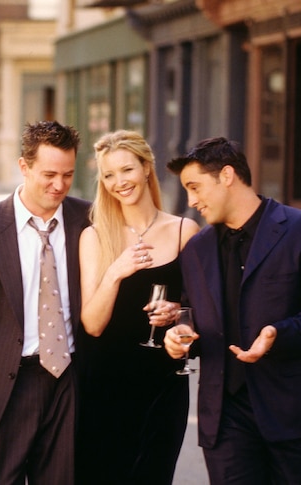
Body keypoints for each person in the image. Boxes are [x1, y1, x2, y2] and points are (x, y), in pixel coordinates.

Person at [164, 137, 301, 484]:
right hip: (224, 414)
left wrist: (278, 333)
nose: (191, 200)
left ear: (227, 175)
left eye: (195, 187)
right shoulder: (196, 249)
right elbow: (192, 317)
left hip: (292, 408)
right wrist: (179, 338)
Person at [0, 120, 91, 484]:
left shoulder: (88, 218)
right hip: (4, 387)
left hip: (69, 381)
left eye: (68, 174)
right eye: (49, 174)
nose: (59, 185)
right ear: (24, 166)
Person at [76, 130, 200, 484]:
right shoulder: (95, 235)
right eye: (109, 174)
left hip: (163, 385)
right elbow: (93, 325)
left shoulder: (184, 231)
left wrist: (178, 312)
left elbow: (197, 311)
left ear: (146, 168)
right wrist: (116, 272)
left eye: (127, 170)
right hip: (105, 386)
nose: (119, 182)